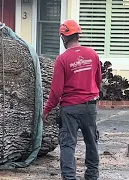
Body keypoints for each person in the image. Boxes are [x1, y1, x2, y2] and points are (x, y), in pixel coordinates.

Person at [42, 19, 101, 180]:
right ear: (77, 35)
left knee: (68, 145)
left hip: (69, 109)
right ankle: (92, 176)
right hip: (90, 107)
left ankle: (69, 178)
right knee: (92, 142)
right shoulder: (93, 54)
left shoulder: (62, 59)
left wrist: (47, 110)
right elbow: (98, 81)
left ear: (64, 37)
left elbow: (56, 91)